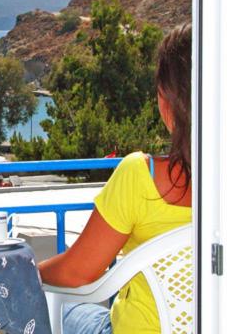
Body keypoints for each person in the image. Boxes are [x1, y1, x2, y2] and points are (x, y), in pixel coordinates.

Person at [38, 23, 192, 334]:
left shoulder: (141, 176)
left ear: (167, 101)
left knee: (68, 309)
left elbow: (76, 273)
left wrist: (22, 270)